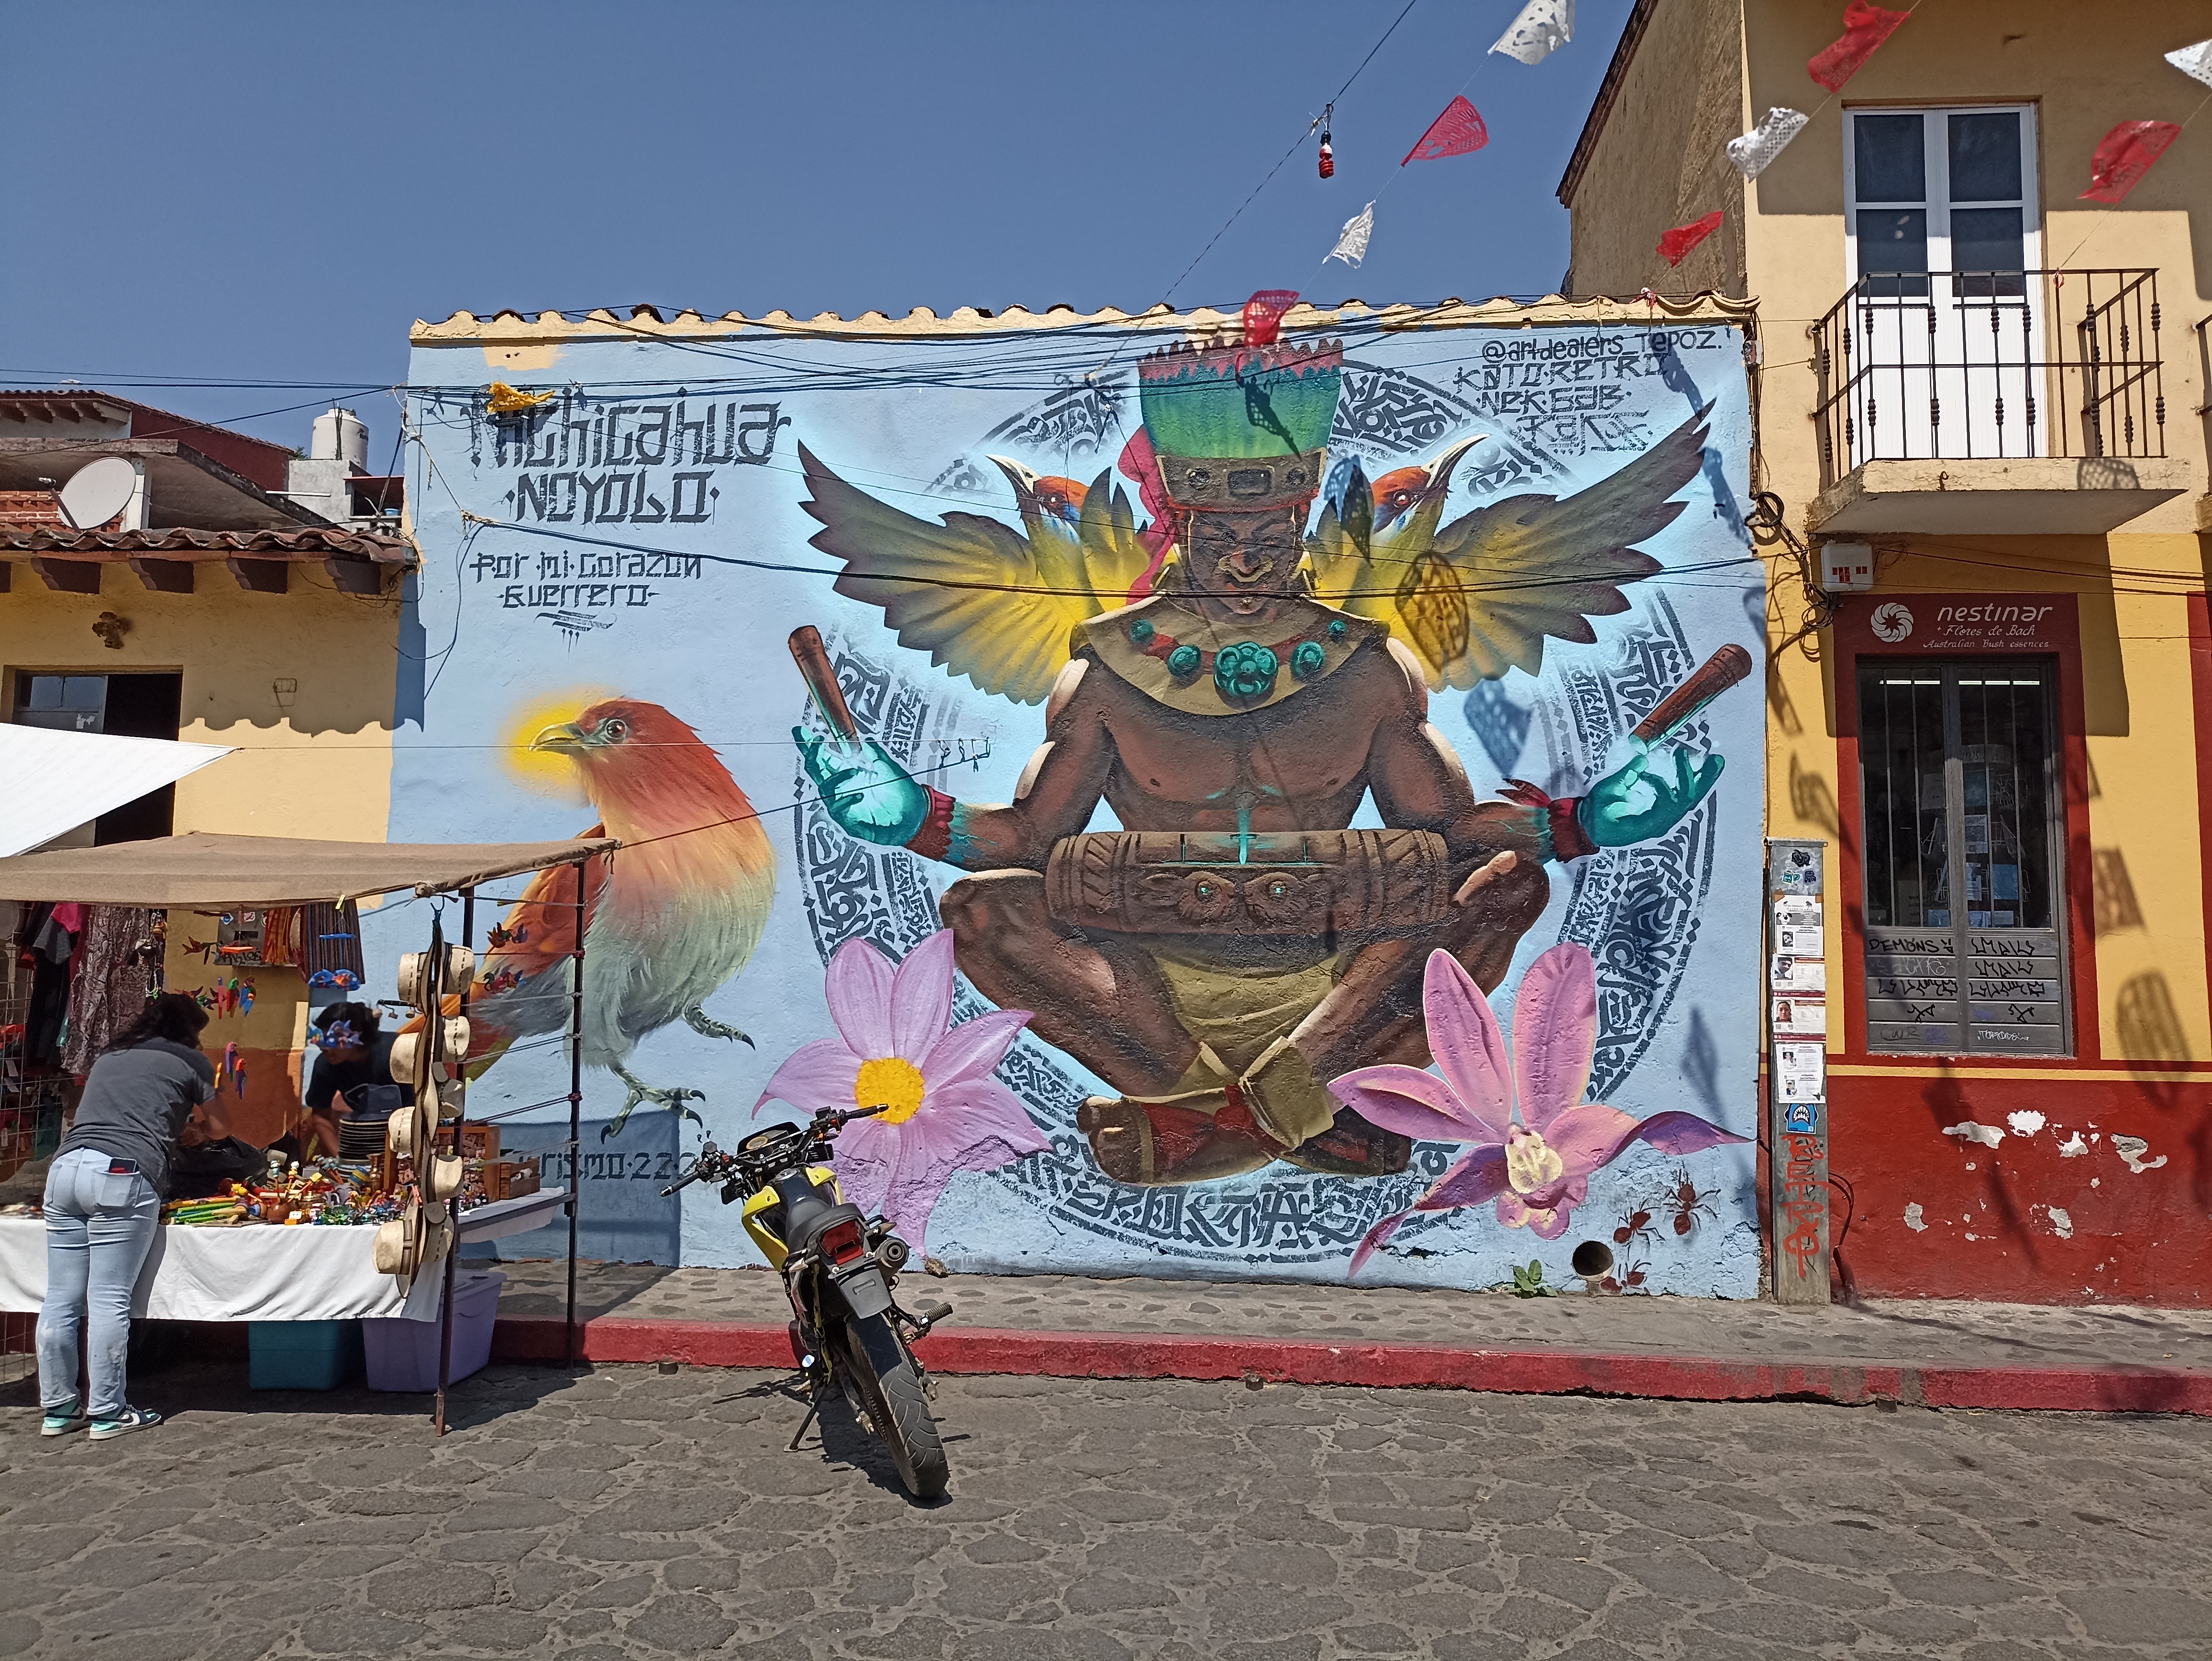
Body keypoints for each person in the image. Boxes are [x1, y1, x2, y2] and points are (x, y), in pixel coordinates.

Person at [39, 991, 225, 1440]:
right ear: (190, 1032)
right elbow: (221, 1129)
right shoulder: (190, 1061)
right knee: (108, 1299)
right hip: (122, 1174)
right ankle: (107, 1411)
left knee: (61, 1298)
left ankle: (59, 1409)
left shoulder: (111, 1055)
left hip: (65, 1169)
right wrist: (192, 1129)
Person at [304, 1002, 410, 1160]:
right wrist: (341, 1159)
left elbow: (420, 1107)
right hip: (362, 1143)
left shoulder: (395, 1053)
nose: (324, 1048)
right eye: (320, 1039)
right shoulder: (325, 1065)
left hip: (407, 1138)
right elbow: (320, 1117)